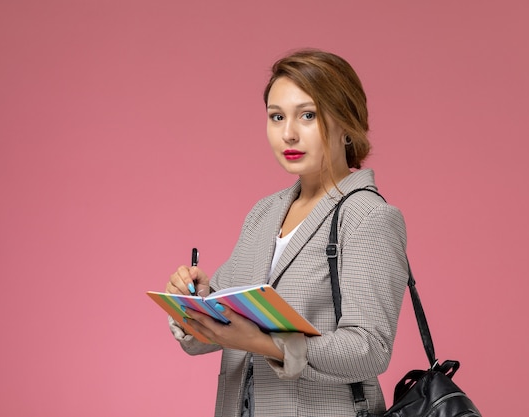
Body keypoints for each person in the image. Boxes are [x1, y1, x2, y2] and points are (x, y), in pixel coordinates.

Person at [165, 49, 408, 417]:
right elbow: (221, 329)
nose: (288, 133)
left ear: (346, 122)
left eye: (307, 115)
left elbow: (370, 349)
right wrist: (197, 301)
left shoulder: (369, 217)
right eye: (276, 117)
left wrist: (267, 344)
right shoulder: (264, 213)